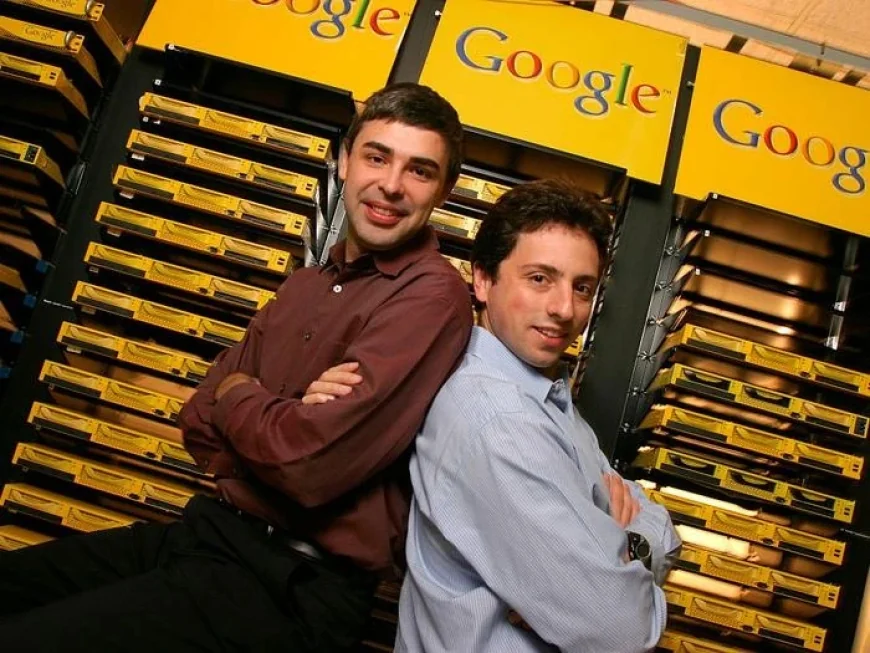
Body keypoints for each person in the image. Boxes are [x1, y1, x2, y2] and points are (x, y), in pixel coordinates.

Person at [0, 83, 473, 652]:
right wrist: (278, 421)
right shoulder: (306, 284)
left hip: (290, 586)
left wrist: (242, 395)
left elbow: (308, 466)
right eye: (377, 157)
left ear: (444, 191)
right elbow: (197, 419)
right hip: (208, 536)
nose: (391, 185)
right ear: (345, 161)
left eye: (419, 171)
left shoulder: (433, 297)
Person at [395, 180, 681, 652]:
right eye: (539, 279)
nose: (564, 309)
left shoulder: (546, 399)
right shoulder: (498, 421)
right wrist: (620, 547)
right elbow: (620, 630)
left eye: (582, 287)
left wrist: (632, 546)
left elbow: (653, 517)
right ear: (482, 280)